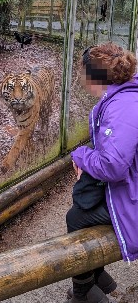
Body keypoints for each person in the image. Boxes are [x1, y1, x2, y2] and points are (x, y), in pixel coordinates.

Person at [65, 42, 138, 303]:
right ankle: (99, 277)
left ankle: (84, 291)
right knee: (85, 201)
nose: (81, 81)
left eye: (83, 74)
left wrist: (81, 155)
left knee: (75, 217)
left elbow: (113, 166)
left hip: (134, 200)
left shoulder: (122, 107)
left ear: (94, 76)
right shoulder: (128, 93)